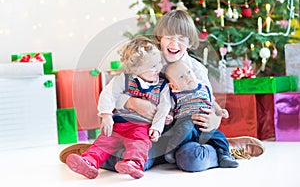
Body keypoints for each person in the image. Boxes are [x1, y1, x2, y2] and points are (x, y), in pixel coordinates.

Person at [60, 9, 265, 172]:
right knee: (137, 156)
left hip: (186, 135)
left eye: (182, 38)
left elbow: (207, 100)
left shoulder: (195, 70)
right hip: (150, 133)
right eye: (169, 37)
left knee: (191, 160)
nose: (174, 43)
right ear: (160, 37)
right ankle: (95, 155)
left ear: (190, 42)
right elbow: (117, 88)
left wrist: (214, 119)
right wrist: (130, 102)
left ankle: (225, 149)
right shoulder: (147, 59)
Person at [65, 36, 172, 179]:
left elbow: (164, 107)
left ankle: (133, 164)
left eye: (159, 62)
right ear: (135, 68)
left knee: (139, 144)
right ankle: (89, 162)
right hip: (119, 123)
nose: (158, 68)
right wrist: (106, 115)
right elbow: (108, 94)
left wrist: (157, 128)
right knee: (104, 141)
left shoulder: (162, 85)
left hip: (141, 126)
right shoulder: (124, 79)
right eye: (152, 66)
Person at [163, 60, 238, 168]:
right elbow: (170, 108)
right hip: (187, 122)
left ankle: (224, 156)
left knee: (219, 137)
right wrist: (169, 116)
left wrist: (220, 111)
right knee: (184, 129)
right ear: (174, 86)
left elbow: (212, 101)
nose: (187, 77)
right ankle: (172, 148)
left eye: (189, 73)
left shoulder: (203, 88)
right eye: (181, 77)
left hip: (205, 126)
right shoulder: (175, 94)